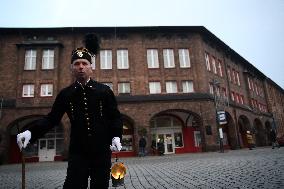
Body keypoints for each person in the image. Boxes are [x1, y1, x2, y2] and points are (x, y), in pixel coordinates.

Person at [16, 34, 123, 189]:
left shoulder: (104, 91)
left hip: (101, 150)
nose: (81, 66)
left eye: (84, 63)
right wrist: (31, 133)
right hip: (77, 151)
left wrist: (116, 136)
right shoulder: (66, 94)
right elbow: (52, 118)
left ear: (91, 67)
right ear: (72, 68)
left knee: (99, 186)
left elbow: (115, 117)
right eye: (77, 63)